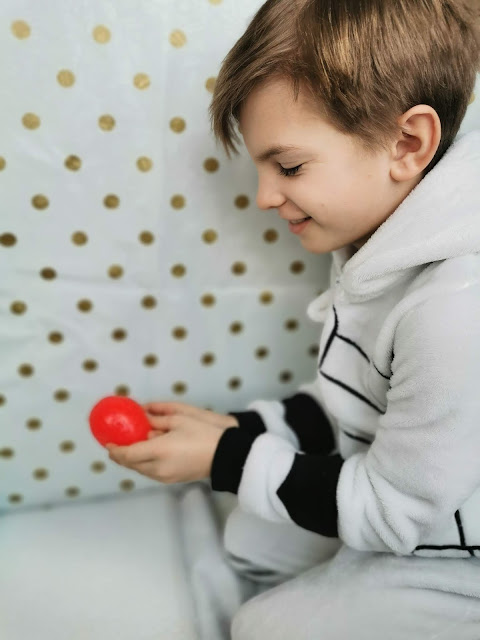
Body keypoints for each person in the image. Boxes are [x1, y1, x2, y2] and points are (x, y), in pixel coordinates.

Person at [106, 0, 480, 637]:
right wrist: (240, 429)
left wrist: (226, 458)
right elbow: (353, 408)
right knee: (249, 538)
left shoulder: (454, 310)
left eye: (289, 167)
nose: (264, 197)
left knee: (264, 626)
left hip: (449, 545)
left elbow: (396, 513)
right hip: (403, 495)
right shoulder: (382, 241)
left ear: (407, 143)